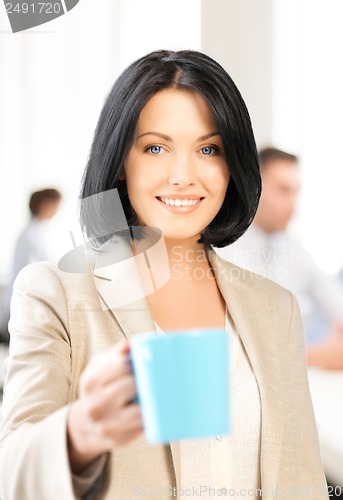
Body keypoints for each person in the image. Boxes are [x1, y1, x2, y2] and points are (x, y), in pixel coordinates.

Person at [0, 51, 328, 499]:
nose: (182, 176)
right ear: (121, 161)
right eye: (155, 147)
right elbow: (11, 474)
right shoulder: (55, 293)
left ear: (231, 165)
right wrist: (79, 432)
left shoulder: (276, 309)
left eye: (208, 149)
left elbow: (301, 479)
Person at [216, 147, 343, 370]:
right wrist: (315, 356)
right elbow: (241, 351)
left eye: (296, 192)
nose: (292, 204)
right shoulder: (224, 251)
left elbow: (335, 304)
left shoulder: (293, 248)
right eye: (283, 190)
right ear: (253, 187)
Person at [0, 188, 62, 343]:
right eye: (55, 205)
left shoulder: (39, 231)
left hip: (24, 302)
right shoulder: (30, 235)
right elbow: (46, 267)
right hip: (19, 305)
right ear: (44, 204)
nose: (56, 210)